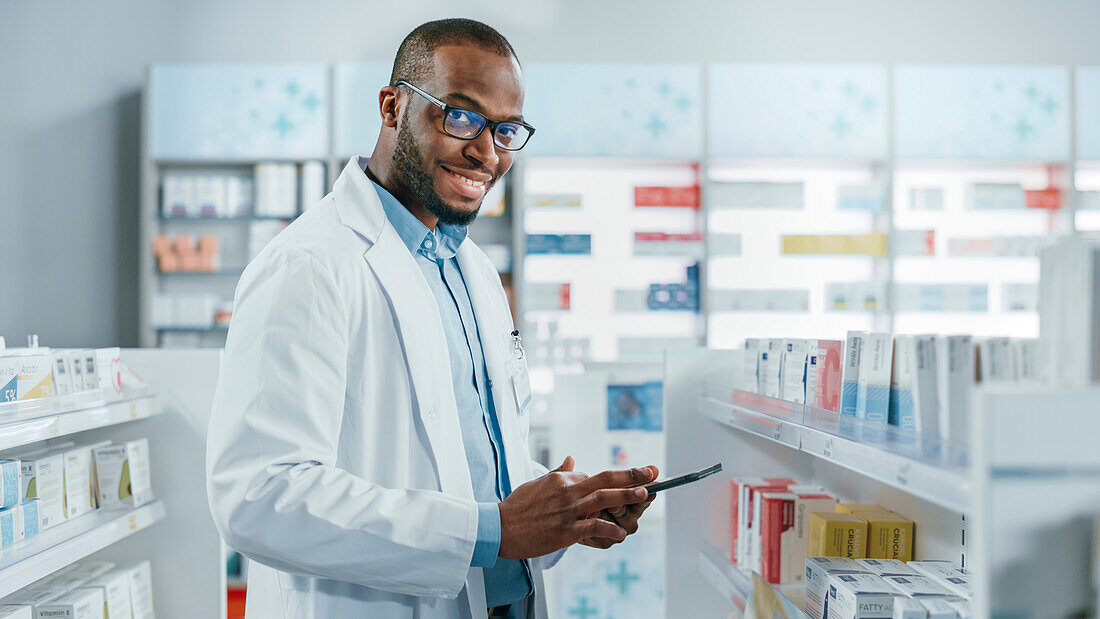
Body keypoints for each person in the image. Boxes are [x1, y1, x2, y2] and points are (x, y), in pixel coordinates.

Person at [206, 18, 658, 619]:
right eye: (461, 116)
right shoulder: (307, 266)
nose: (487, 152)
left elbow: (466, 455)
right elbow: (258, 496)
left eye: (507, 130)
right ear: (392, 107)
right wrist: (488, 530)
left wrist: (564, 509)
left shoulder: (470, 271)